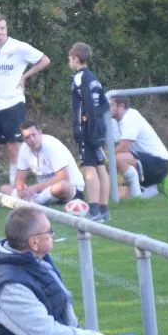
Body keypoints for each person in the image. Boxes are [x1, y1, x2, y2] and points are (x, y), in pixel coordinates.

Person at [0, 207, 168, 335]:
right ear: (34, 242)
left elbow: (62, 309)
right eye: (49, 231)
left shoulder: (33, 260)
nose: (53, 234)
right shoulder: (10, 286)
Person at [0, 14, 50, 191]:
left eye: (2, 28)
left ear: (6, 28)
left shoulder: (19, 47)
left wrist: (25, 76)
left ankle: (13, 193)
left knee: (13, 149)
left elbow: (45, 60)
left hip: (13, 104)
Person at [68, 42, 110, 221]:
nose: (69, 62)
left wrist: (83, 127)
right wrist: (97, 124)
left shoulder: (79, 77)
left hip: (88, 129)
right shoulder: (93, 77)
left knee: (89, 168)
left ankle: (93, 212)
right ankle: (104, 210)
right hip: (98, 127)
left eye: (70, 59)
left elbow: (86, 106)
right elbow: (105, 104)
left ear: (75, 58)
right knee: (100, 166)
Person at [0, 121, 85, 205]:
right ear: (23, 139)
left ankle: (35, 202)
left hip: (70, 188)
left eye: (33, 135)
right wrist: (21, 187)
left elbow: (64, 178)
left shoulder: (51, 146)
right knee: (4, 189)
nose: (32, 139)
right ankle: (35, 200)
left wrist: (34, 188)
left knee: (63, 186)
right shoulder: (24, 149)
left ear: (40, 132)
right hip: (43, 190)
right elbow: (20, 178)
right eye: (27, 137)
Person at [110, 96, 168, 200]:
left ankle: (140, 195)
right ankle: (156, 186)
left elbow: (123, 147)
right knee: (119, 198)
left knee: (117, 158)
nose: (108, 109)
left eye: (111, 105)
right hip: (141, 162)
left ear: (121, 106)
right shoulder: (114, 122)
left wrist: (108, 160)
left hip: (159, 162)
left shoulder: (131, 116)